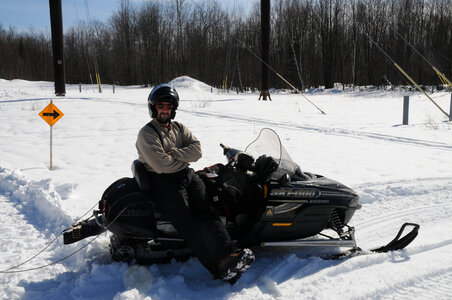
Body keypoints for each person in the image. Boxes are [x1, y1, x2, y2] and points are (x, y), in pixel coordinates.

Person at [135, 83, 254, 282]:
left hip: (188, 176)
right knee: (190, 225)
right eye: (161, 106)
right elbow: (162, 165)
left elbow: (197, 150)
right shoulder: (147, 133)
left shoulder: (179, 127)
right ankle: (219, 268)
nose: (165, 110)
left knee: (208, 213)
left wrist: (175, 154)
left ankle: (230, 254)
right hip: (165, 183)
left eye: (169, 106)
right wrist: (182, 158)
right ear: (153, 107)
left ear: (173, 109)